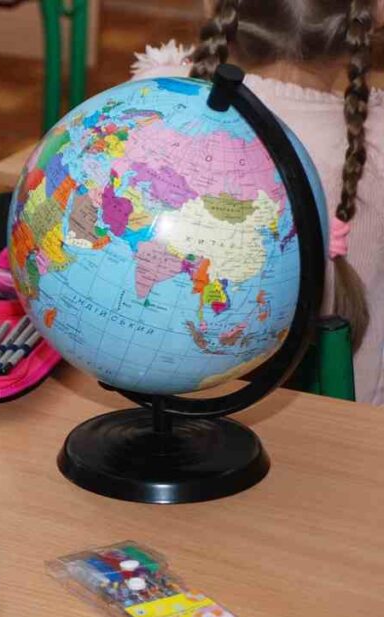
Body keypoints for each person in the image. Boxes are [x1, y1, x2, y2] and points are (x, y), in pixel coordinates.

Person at [132, 0, 384, 404]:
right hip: (338, 413)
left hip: (154, 386)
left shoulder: (153, 93)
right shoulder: (374, 145)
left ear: (213, 5)